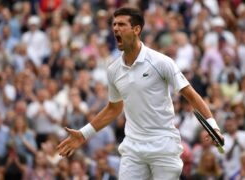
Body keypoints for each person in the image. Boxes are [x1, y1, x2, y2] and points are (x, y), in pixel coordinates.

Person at [57, 7, 224, 180]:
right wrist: (84, 134)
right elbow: (113, 108)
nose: (115, 28)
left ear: (137, 29)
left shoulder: (161, 62)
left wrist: (213, 125)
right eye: (114, 24)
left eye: (121, 24)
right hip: (133, 149)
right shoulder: (113, 70)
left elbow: (190, 95)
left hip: (164, 146)